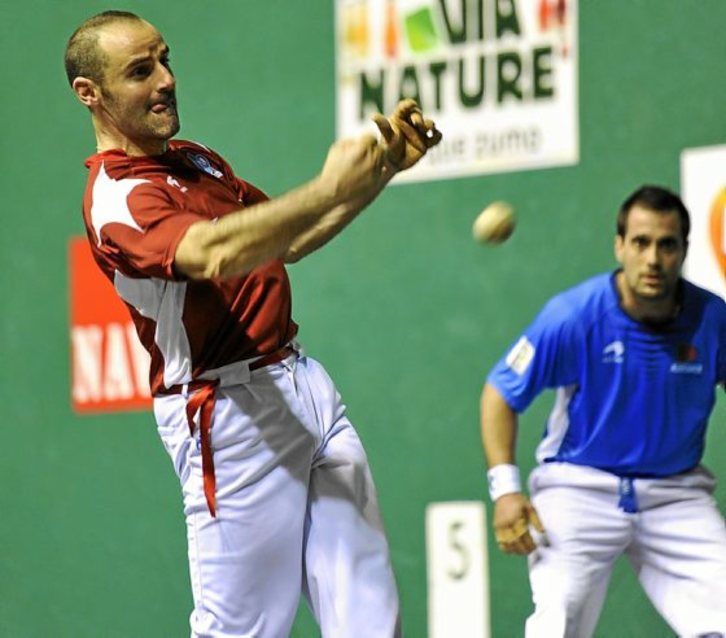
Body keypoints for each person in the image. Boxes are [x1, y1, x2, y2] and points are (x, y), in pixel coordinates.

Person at [65, 10, 441, 637]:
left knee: (370, 617)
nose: (165, 80)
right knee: (240, 630)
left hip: (303, 385)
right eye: (140, 71)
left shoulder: (196, 160)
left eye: (165, 60)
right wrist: (326, 186)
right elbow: (213, 253)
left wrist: (380, 173)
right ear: (90, 93)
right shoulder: (117, 198)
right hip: (228, 416)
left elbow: (287, 240)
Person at [480, 185, 726, 637]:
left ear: (683, 250)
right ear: (620, 246)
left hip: (676, 494)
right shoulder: (574, 316)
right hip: (578, 489)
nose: (653, 259)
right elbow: (500, 393)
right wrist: (506, 491)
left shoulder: (713, 319)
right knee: (557, 618)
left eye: (667, 245)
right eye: (641, 243)